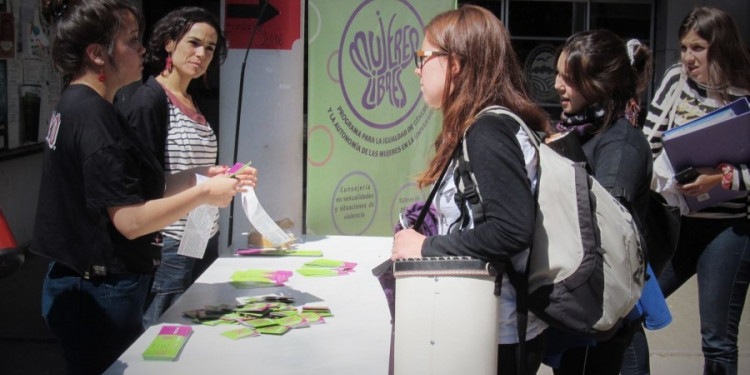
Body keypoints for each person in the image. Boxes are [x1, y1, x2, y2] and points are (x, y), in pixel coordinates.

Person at [32, 1, 246, 374]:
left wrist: (201, 177)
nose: (142, 49)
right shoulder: (97, 117)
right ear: (98, 54)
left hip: (88, 286)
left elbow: (134, 186)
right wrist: (202, 194)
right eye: (132, 41)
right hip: (97, 291)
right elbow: (130, 220)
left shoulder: (81, 104)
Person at [391, 5, 551, 374]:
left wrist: (425, 247)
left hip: (493, 333)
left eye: (423, 57)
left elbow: (511, 229)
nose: (417, 68)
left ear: (457, 63)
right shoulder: (490, 125)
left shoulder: (488, 132)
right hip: (487, 324)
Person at [122, 6, 258, 328]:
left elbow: (194, 170)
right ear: (169, 43)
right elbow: (141, 184)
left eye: (210, 48)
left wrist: (226, 176)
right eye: (193, 43)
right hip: (169, 239)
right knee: (163, 328)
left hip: (202, 230)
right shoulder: (149, 99)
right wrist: (204, 186)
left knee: (195, 323)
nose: (201, 54)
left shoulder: (191, 98)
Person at [638, 6, 750, 375]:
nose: (688, 58)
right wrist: (669, 176)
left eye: (697, 48)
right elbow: (647, 144)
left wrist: (720, 179)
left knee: (717, 340)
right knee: (631, 311)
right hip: (676, 223)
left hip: (729, 229)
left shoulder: (745, 94)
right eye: (684, 48)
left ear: (720, 47)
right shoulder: (674, 81)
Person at [543, 29, 657, 375]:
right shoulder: (586, 133)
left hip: (611, 340)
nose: (557, 86)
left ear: (600, 84)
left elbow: (607, 231)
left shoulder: (620, 146)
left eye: (569, 78)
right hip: (589, 324)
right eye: (558, 75)